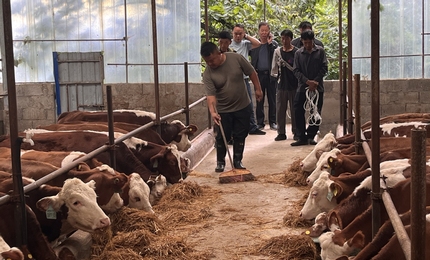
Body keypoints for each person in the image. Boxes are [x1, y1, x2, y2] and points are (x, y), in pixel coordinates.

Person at [201, 42, 263, 172]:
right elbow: (210, 96)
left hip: (243, 105)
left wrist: (258, 89)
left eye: (212, 60)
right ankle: (220, 162)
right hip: (223, 110)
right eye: (207, 61)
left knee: (241, 134)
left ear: (219, 53)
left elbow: (252, 72)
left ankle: (237, 161)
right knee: (222, 136)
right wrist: (213, 112)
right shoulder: (208, 74)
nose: (210, 64)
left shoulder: (236, 58)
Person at [291, 30, 328, 146]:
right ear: (302, 41)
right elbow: (296, 70)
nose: (307, 45)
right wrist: (307, 81)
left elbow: (324, 67)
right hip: (302, 87)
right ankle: (301, 136)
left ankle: (311, 136)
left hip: (317, 87)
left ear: (313, 41)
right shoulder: (298, 53)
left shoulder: (320, 51)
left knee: (315, 111)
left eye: (309, 42)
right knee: (297, 109)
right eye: (305, 42)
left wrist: (315, 81)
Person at [229, 24, 265, 135]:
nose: (238, 36)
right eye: (236, 33)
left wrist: (246, 36)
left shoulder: (245, 44)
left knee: (249, 103)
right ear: (232, 33)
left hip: (244, 78)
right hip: (231, 80)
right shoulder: (228, 44)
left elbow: (258, 44)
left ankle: (252, 127)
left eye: (240, 33)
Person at [249, 22, 278, 131]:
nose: (264, 33)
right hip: (258, 75)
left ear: (269, 32)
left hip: (271, 75)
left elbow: (275, 55)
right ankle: (260, 123)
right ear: (259, 31)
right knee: (259, 99)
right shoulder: (254, 44)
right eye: (262, 30)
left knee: (272, 100)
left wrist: (270, 44)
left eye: (266, 31)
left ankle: (273, 122)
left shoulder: (274, 44)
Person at [270, 29, 299, 141]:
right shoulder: (277, 52)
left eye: (286, 38)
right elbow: (274, 68)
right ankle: (281, 132)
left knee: (295, 110)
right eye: (282, 38)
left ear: (291, 39)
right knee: (280, 110)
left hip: (294, 85)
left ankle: (296, 132)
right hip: (281, 85)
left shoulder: (296, 52)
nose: (284, 40)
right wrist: (275, 80)